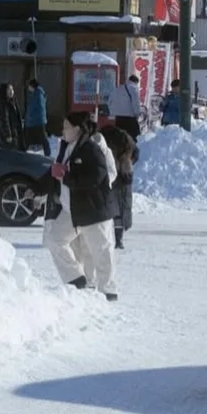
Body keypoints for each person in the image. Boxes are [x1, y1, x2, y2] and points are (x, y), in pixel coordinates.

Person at [43, 111, 118, 299]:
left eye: (66, 127)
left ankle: (107, 291)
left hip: (93, 208)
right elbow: (55, 172)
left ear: (77, 129)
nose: (62, 131)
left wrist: (66, 177)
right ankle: (76, 278)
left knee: (100, 249)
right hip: (72, 209)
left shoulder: (91, 147)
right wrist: (37, 188)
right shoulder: (67, 147)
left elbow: (99, 176)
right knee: (55, 239)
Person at [102, 124, 138, 250]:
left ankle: (112, 238)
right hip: (123, 173)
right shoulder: (125, 139)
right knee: (122, 207)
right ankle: (118, 239)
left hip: (109, 174)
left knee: (110, 206)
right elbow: (136, 154)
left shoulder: (101, 138)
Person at [108, 73, 142, 141]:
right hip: (129, 118)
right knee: (134, 138)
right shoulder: (134, 88)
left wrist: (112, 112)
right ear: (136, 82)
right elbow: (136, 103)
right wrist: (137, 113)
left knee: (120, 138)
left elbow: (109, 102)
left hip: (118, 118)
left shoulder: (118, 88)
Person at [24, 76, 51, 155]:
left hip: (35, 121)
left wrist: (27, 118)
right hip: (39, 120)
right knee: (43, 139)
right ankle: (47, 153)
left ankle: (47, 154)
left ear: (32, 86)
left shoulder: (37, 94)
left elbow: (32, 108)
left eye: (29, 86)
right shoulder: (40, 93)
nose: (28, 88)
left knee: (38, 139)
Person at [0, 82, 25, 151]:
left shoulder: (13, 101)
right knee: (10, 154)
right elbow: (4, 120)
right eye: (9, 90)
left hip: (15, 132)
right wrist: (7, 135)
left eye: (12, 89)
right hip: (8, 135)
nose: (11, 92)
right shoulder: (3, 103)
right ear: (4, 91)